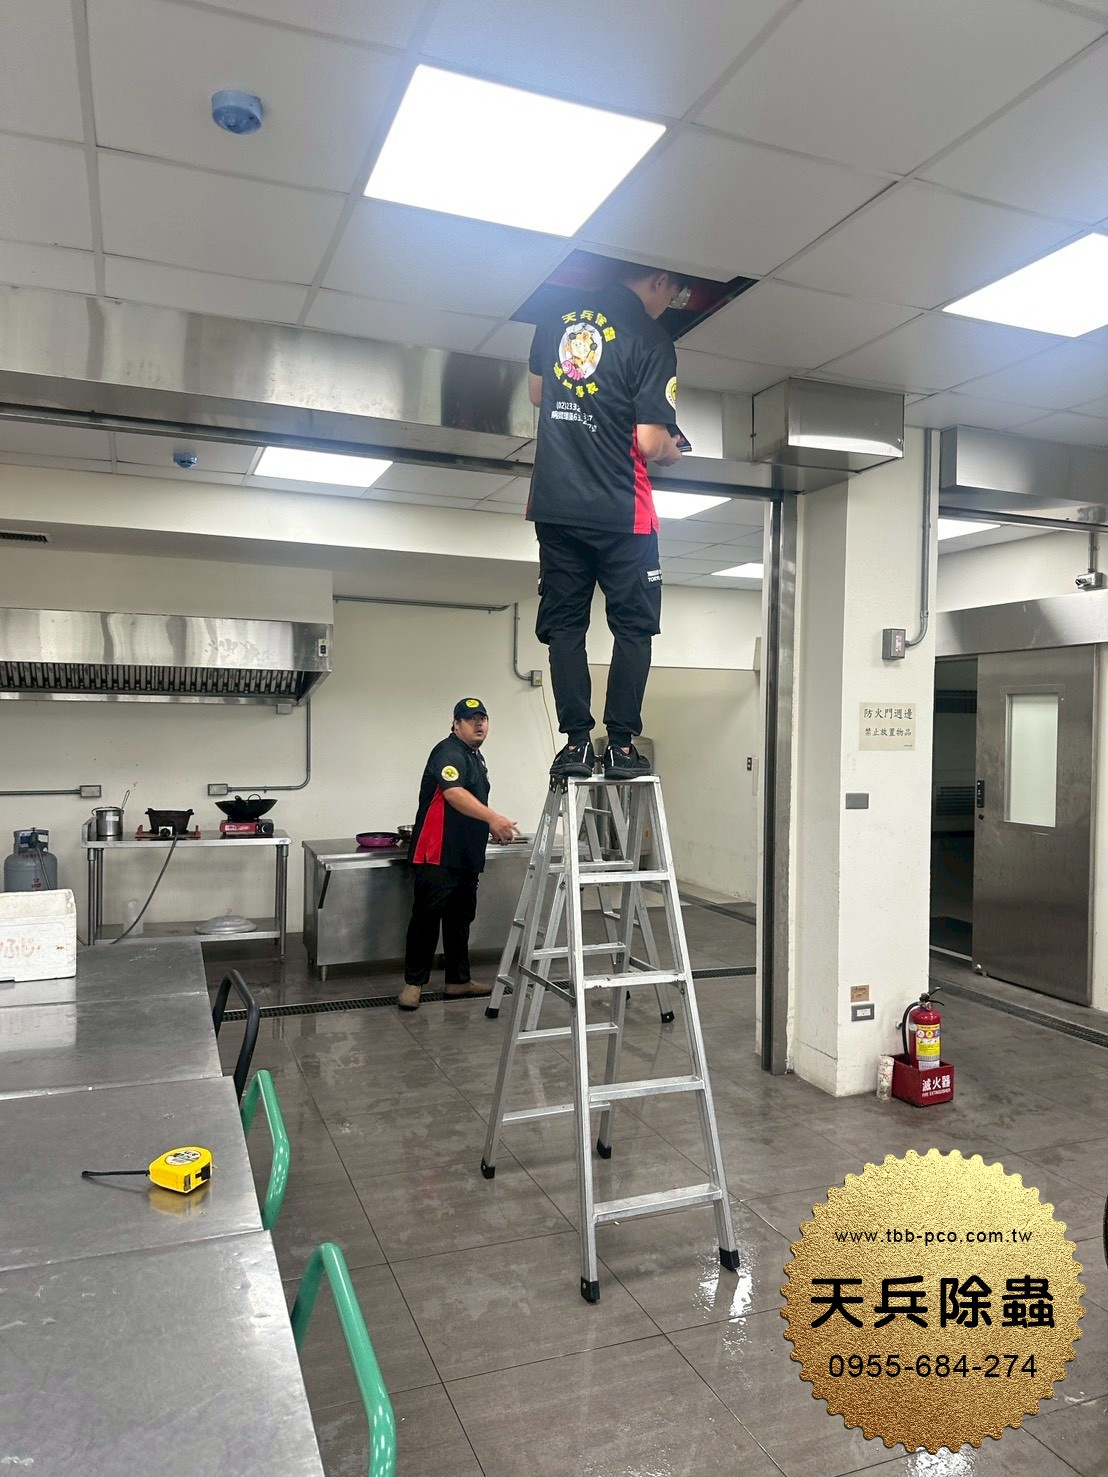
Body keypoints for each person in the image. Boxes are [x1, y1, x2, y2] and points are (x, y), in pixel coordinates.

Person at [527, 263, 690, 783]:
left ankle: (576, 744)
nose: (668, 305)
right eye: (673, 294)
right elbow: (649, 441)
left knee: (565, 627)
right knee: (633, 628)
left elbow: (538, 393)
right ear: (658, 280)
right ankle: (620, 746)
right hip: (623, 512)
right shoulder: (651, 338)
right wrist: (671, 450)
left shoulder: (553, 316)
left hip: (556, 504)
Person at [398, 698, 518, 1011]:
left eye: (483, 719)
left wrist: (489, 825)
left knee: (460, 919)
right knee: (426, 920)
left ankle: (457, 980)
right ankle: (413, 985)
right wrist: (494, 818)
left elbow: (472, 800)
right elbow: (453, 794)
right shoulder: (448, 751)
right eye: (471, 719)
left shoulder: (476, 758)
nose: (479, 724)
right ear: (456, 724)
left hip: (465, 853)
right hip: (437, 853)